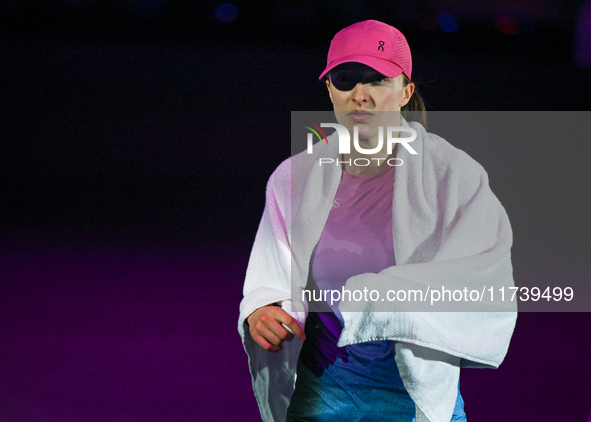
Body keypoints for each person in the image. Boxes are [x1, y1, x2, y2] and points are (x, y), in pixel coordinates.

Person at [239, 20, 516, 422]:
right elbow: (270, 275)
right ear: (330, 89)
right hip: (321, 401)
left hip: (417, 403)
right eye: (345, 79)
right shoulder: (294, 177)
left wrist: (379, 293)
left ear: (405, 92)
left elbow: (486, 284)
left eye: (378, 80)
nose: (361, 95)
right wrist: (262, 308)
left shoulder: (453, 175)